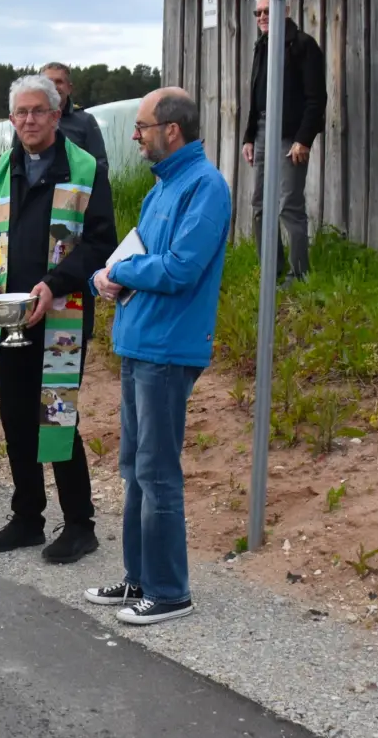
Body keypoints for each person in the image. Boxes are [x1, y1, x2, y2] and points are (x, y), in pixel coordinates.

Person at [89, 88, 231, 625]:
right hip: (138, 339)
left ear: (172, 130)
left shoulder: (206, 187)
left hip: (170, 349)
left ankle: (171, 591)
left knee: (157, 471)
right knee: (134, 468)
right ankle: (139, 578)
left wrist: (119, 274)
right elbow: (136, 254)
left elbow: (178, 269)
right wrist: (105, 276)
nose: (135, 135)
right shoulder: (162, 188)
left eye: (142, 126)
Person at [0, 74, 117, 563]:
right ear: (12, 120)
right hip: (8, 316)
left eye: (38, 111)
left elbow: (99, 241)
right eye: (20, 113)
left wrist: (55, 284)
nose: (28, 120)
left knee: (56, 416)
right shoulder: (0, 168)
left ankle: (79, 524)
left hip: (61, 312)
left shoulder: (85, 168)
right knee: (15, 418)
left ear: (56, 114)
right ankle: (28, 517)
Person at [241, 0, 325, 282]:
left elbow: (316, 99)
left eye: (267, 11)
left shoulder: (303, 45)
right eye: (258, 13)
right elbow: (256, 97)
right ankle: (271, 270)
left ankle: (299, 273)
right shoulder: (262, 46)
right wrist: (249, 137)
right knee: (260, 205)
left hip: (291, 134)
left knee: (289, 204)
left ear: (285, 10)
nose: (262, 17)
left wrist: (304, 139)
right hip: (263, 129)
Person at [40, 62, 109, 166]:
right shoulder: (28, 120)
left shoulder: (85, 121)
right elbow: (15, 164)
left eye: (59, 82)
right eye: (48, 82)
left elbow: (100, 164)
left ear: (69, 88)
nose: (53, 86)